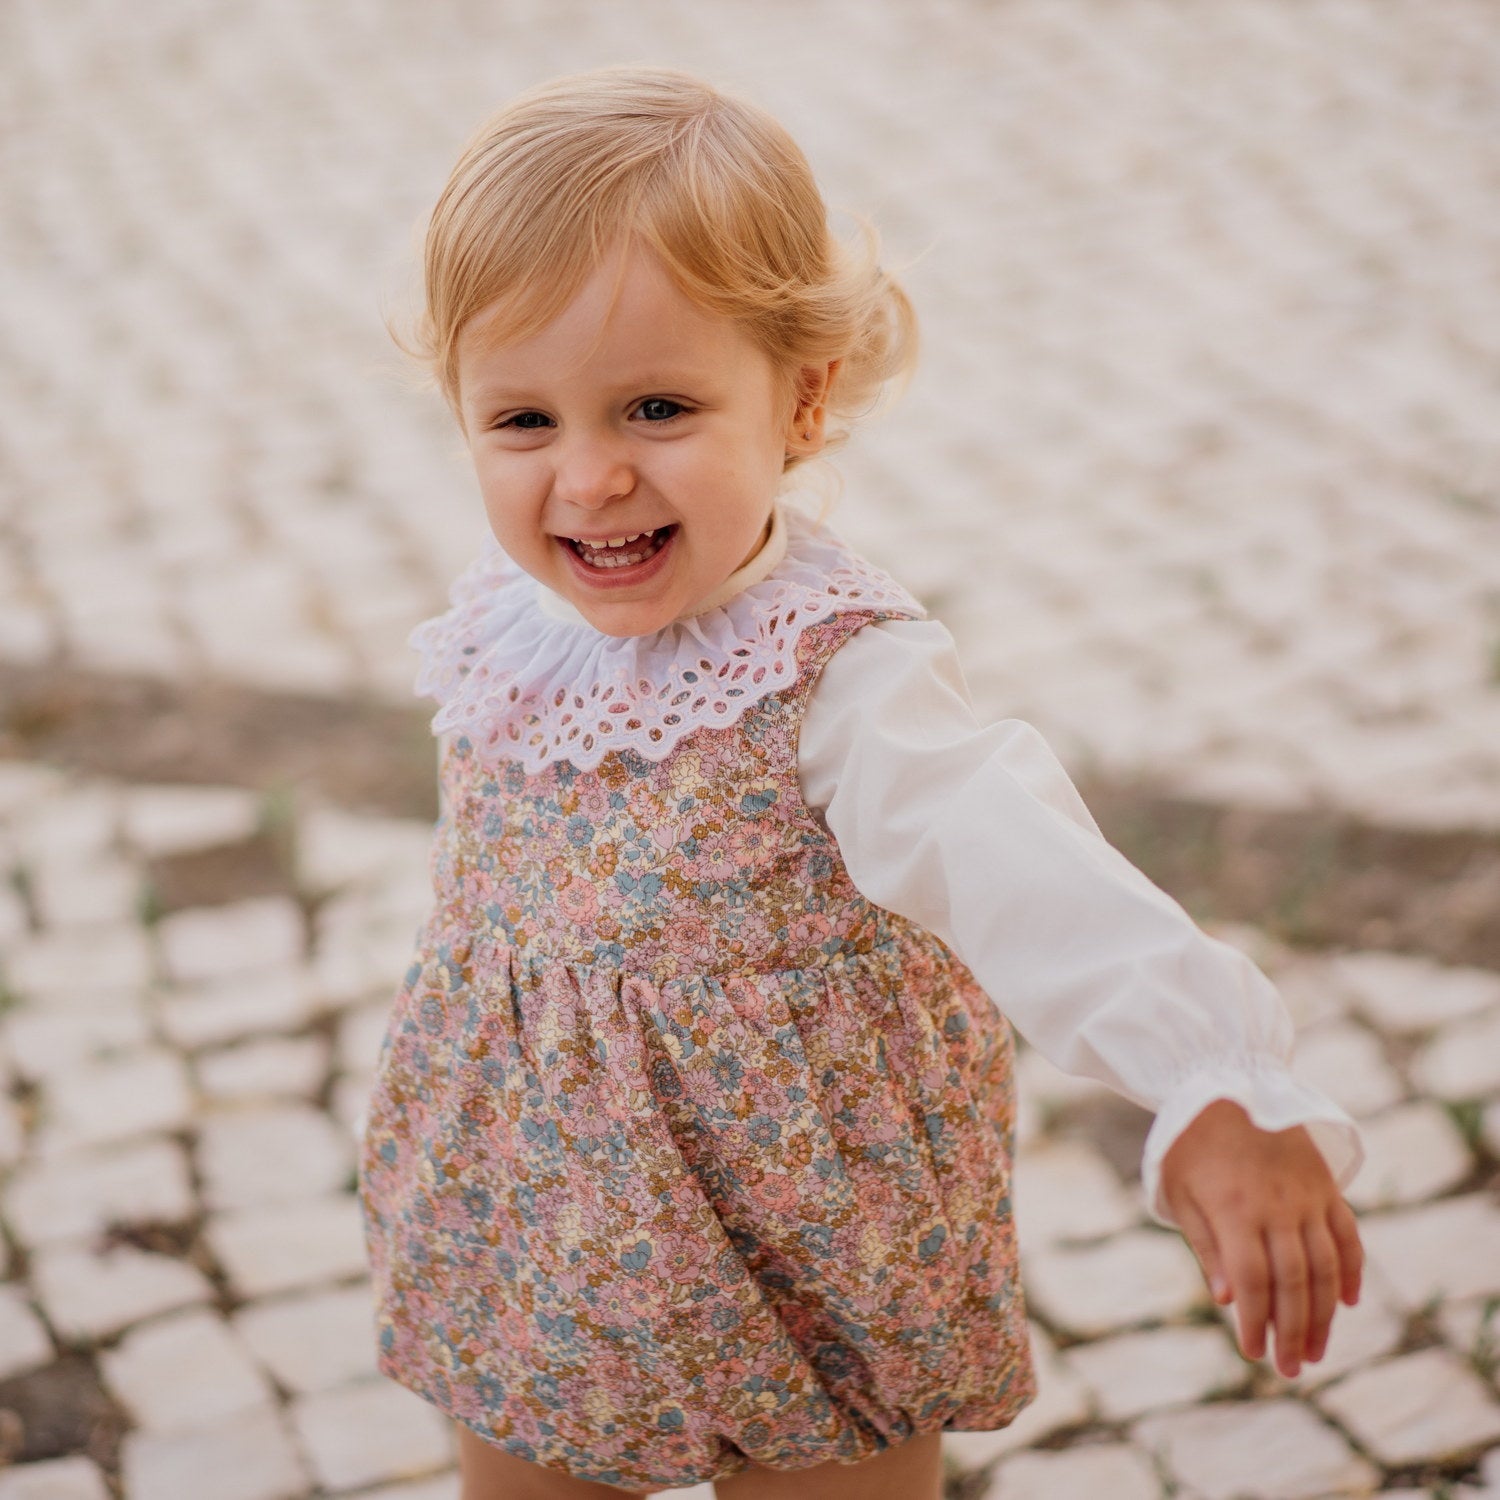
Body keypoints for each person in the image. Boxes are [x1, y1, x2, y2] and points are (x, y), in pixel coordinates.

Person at [356, 64, 1366, 1500]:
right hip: (542, 1223)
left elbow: (1023, 867)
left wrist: (1211, 1075)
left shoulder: (836, 677)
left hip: (814, 1247)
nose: (586, 481)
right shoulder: (507, 632)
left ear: (803, 398)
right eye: (522, 422)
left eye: (656, 407)